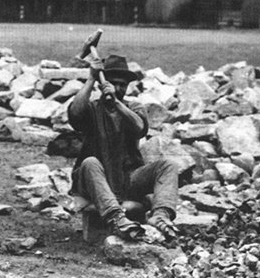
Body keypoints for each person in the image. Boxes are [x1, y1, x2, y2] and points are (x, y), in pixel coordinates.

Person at [69, 54, 179, 242]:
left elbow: (140, 129)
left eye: (122, 85)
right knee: (90, 162)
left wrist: (117, 103)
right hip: (94, 179)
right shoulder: (93, 108)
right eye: (114, 83)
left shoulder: (134, 107)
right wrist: (91, 78)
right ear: (102, 84)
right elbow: (75, 114)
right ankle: (116, 218)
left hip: (127, 179)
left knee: (168, 165)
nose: (118, 88)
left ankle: (160, 215)